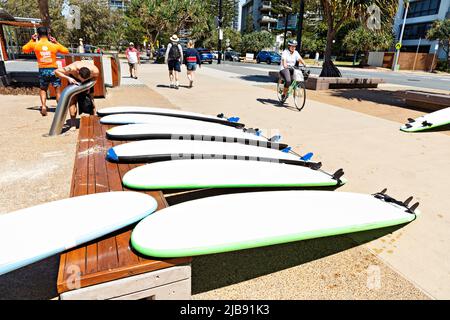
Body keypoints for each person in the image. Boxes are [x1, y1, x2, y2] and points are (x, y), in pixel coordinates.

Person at [22, 27, 69, 116]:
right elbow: (66, 51)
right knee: (57, 90)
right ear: (48, 34)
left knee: (43, 89)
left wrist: (32, 40)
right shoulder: (53, 45)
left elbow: (24, 49)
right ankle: (59, 109)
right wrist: (56, 42)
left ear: (38, 35)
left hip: (42, 69)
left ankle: (43, 106)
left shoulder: (35, 45)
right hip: (54, 69)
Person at [55, 60, 99, 129]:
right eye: (82, 79)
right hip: (73, 80)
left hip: (89, 81)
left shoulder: (95, 70)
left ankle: (93, 119)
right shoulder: (72, 68)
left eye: (84, 80)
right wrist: (68, 78)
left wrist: (88, 86)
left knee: (91, 99)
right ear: (78, 72)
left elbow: (95, 79)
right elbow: (56, 72)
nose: (82, 81)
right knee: (72, 101)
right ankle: (73, 124)